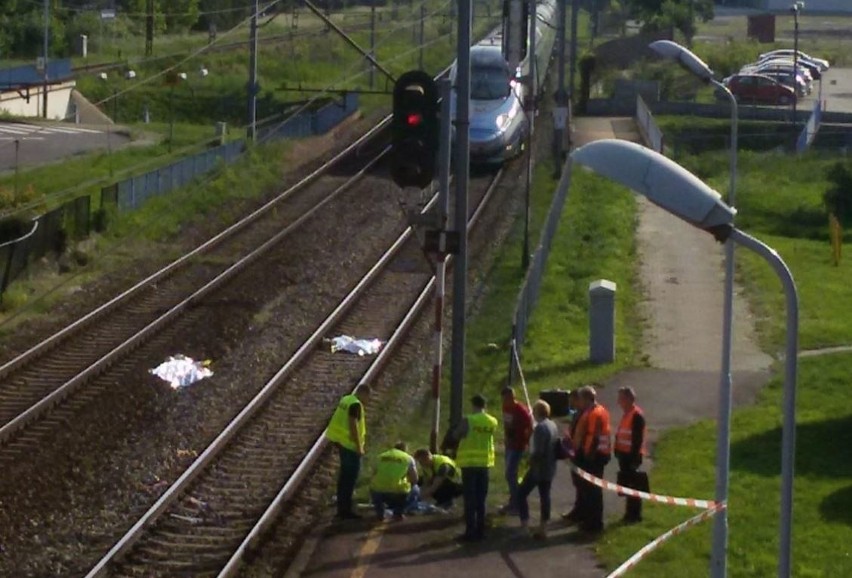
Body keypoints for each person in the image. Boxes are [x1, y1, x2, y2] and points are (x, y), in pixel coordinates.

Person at [452, 393, 498, 542]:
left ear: (474, 405)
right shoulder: (493, 421)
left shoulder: (469, 420)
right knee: (481, 498)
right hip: (484, 464)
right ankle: (481, 530)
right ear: (485, 406)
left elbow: (456, 436)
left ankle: (469, 531)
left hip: (469, 464)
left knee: (470, 499)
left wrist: (455, 429)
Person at [326, 384, 371, 520]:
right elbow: (353, 425)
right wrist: (359, 446)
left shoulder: (346, 399)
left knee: (344, 477)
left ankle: (342, 508)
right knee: (349, 478)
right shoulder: (356, 405)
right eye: (368, 397)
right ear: (364, 393)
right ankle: (345, 510)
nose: (368, 400)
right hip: (350, 446)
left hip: (340, 442)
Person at [517, 400, 559, 539]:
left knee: (521, 493)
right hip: (549, 467)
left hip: (538, 469)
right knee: (545, 496)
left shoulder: (541, 428)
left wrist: (528, 461)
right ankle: (543, 527)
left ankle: (524, 524)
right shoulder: (552, 425)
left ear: (537, 412)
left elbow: (539, 451)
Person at [572, 385, 611, 533]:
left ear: (587, 399)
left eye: (580, 399)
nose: (579, 402)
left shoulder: (595, 413)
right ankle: (589, 520)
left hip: (595, 457)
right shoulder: (595, 411)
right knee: (589, 491)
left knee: (592, 491)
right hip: (595, 455)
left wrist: (587, 457)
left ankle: (593, 523)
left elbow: (594, 436)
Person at [615, 386, 649, 524]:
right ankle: (630, 513)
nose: (618, 402)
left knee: (633, 487)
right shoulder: (627, 414)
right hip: (624, 455)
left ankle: (634, 515)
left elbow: (637, 440)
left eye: (621, 399)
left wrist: (634, 459)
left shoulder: (636, 416)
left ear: (629, 399)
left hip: (631, 457)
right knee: (628, 486)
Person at [499, 386, 533, 515]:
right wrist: (507, 438)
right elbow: (507, 424)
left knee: (510, 474)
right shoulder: (506, 408)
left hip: (518, 446)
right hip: (510, 444)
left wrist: (525, 444)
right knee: (509, 474)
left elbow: (529, 429)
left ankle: (516, 503)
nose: (504, 401)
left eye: (506, 399)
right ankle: (515, 499)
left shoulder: (522, 412)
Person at [370, 441, 420, 521]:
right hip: (398, 491)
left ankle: (380, 513)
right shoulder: (408, 458)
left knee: (375, 486)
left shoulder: (380, 456)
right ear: (404, 450)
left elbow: (373, 475)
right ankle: (398, 513)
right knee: (415, 488)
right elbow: (415, 479)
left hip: (378, 490)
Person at [562, 390, 583, 524]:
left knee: (581, 484)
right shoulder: (576, 414)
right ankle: (578, 509)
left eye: (572, 400)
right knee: (577, 483)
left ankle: (580, 511)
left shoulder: (582, 414)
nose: (570, 403)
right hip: (573, 451)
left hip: (578, 452)